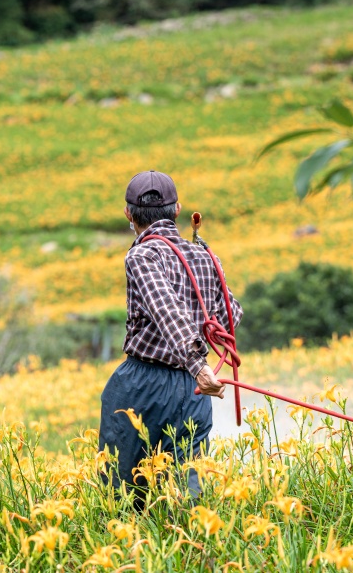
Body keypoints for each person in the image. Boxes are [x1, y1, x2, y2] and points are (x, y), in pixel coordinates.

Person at [98, 170, 243, 505]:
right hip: (193, 392)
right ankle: (195, 553)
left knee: (123, 493)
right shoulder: (206, 256)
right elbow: (231, 318)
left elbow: (167, 311)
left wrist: (196, 365)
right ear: (177, 210)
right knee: (189, 493)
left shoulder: (142, 255)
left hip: (143, 384)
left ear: (128, 214)